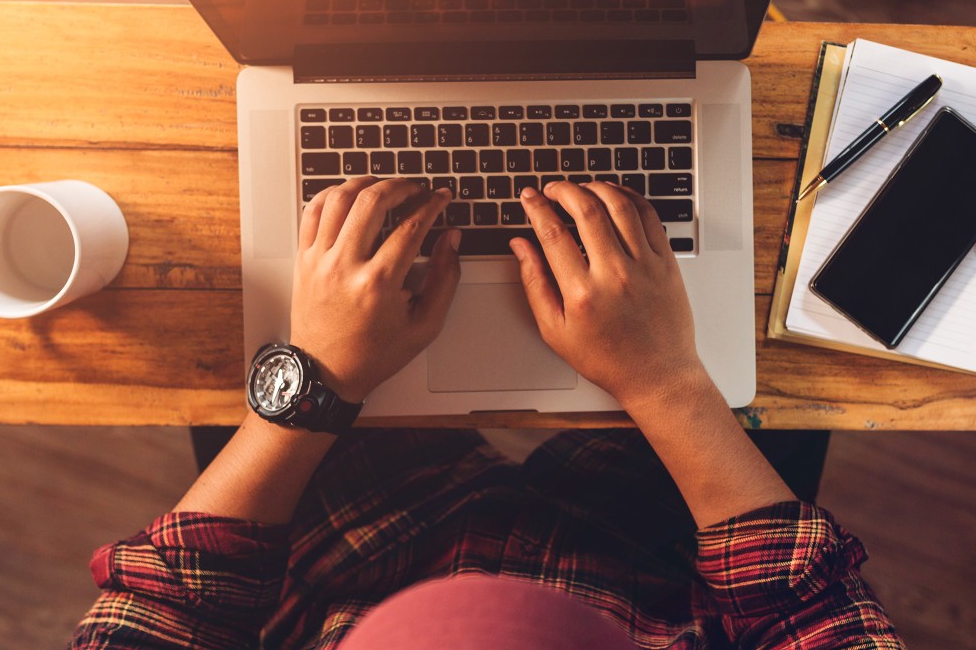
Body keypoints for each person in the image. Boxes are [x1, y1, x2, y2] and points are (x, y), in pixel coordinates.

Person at [69, 177, 903, 649]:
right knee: (784, 323)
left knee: (243, 313)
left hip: (353, 546)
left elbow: (172, 601)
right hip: (663, 556)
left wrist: (317, 378)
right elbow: (809, 611)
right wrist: (666, 382)